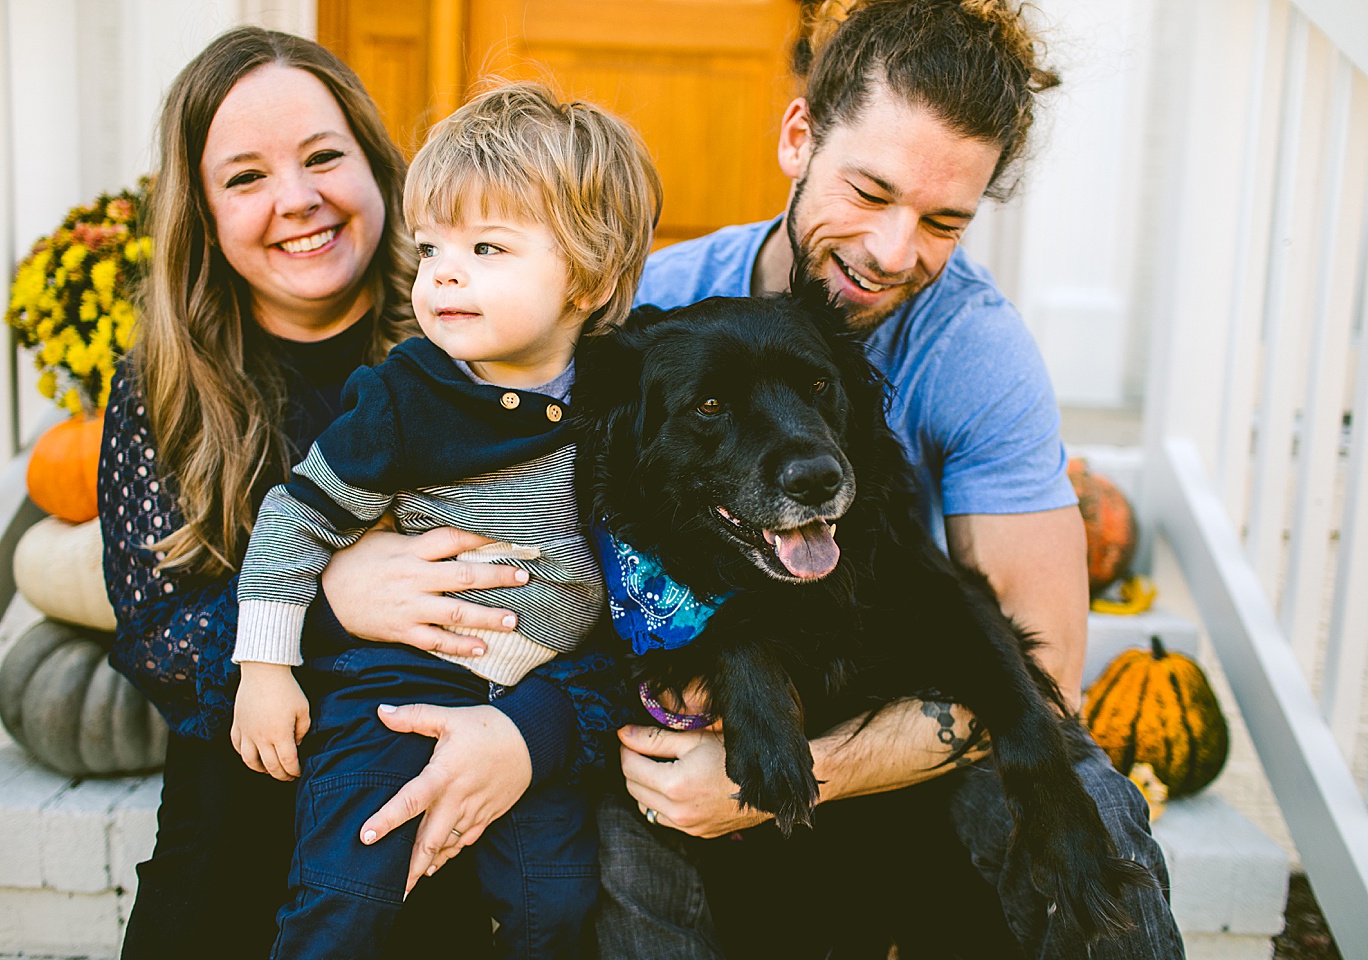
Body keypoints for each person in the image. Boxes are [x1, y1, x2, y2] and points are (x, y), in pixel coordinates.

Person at [593, 1, 1188, 957]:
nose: (892, 252)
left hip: (887, 736)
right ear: (799, 138)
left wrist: (807, 768)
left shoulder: (978, 356)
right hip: (701, 727)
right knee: (617, 808)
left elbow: (1050, 683)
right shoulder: (656, 312)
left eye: (943, 221)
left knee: (1078, 798)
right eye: (869, 192)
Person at [100, 28, 625, 960]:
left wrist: (530, 733)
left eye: (322, 157)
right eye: (246, 176)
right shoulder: (163, 384)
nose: (298, 199)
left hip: (478, 728)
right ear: (204, 211)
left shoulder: (487, 337)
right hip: (259, 747)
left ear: (379, 166)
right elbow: (158, 640)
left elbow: (605, 588)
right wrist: (334, 602)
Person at [228, 82, 661, 959]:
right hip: (391, 690)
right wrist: (265, 666)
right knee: (349, 886)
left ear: (593, 276)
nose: (443, 273)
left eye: (487, 247)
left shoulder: (631, 393)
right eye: (431, 248)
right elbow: (295, 518)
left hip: (541, 696)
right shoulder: (404, 398)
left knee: (556, 901)